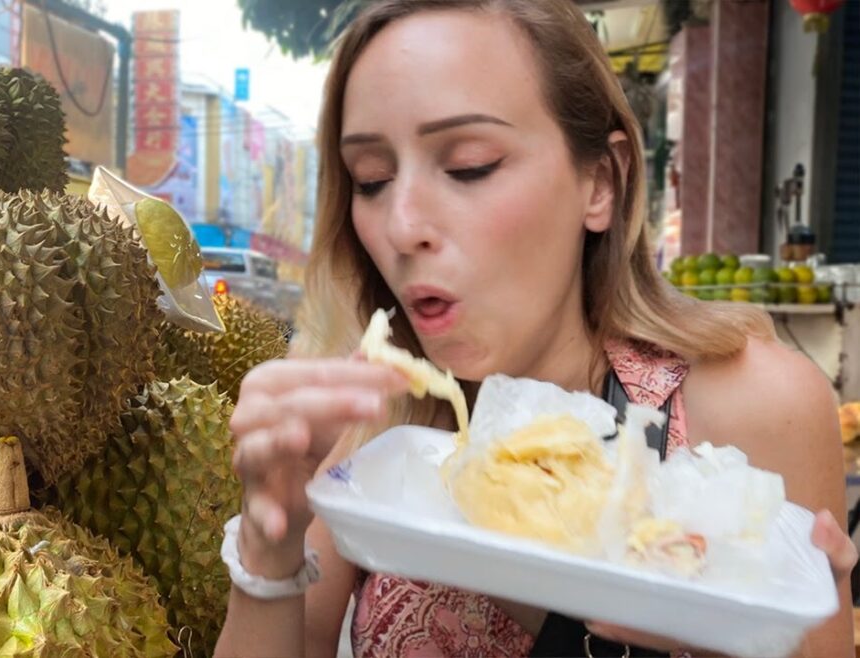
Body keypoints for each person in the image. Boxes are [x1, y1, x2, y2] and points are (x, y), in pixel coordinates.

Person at [214, 1, 858, 656]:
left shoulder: (760, 410)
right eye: (371, 179)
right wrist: (268, 548)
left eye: (470, 165)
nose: (402, 226)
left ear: (601, 183)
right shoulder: (375, 425)